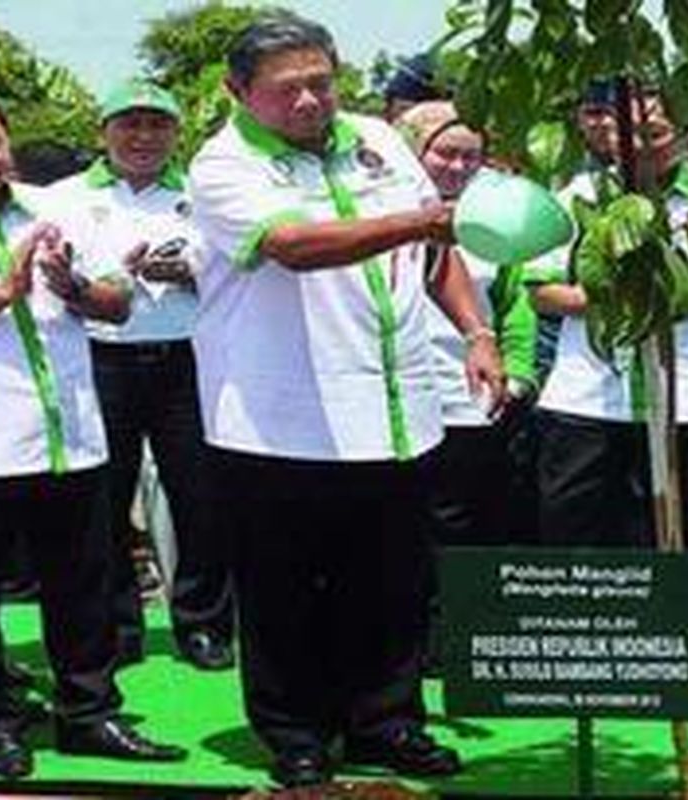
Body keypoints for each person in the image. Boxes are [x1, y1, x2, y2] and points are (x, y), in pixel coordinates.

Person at [190, 13, 502, 787]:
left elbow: (436, 252)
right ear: (237, 91)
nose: (309, 101)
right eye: (286, 89)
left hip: (397, 412)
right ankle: (296, 732)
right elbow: (293, 248)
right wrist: (420, 220)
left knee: (392, 581)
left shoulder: (378, 138)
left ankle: (386, 723)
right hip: (279, 422)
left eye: (321, 83)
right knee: (284, 587)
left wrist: (477, 331)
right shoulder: (223, 165)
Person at [0, 86, 186, 778]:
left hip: (67, 439)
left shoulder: (57, 209)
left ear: (7, 140)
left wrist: (72, 285)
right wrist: (2, 293)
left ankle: (89, 713)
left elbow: (118, 303)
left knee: (83, 588)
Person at [527, 91, 688, 553]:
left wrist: (662, 297)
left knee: (686, 536)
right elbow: (543, 290)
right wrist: (621, 300)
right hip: (589, 397)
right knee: (575, 535)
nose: (639, 146)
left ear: (687, 136)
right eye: (628, 132)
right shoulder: (578, 197)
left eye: (655, 134)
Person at [52, 79, 235, 671]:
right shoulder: (64, 198)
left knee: (201, 496)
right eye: (129, 124)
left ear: (176, 133)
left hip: (189, 358)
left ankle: (204, 623)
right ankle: (117, 626)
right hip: (100, 357)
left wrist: (191, 273)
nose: (144, 137)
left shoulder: (204, 195)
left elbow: (241, 271)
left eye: (158, 125)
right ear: (103, 131)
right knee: (104, 498)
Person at [397, 100, 538, 545]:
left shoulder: (496, 219)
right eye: (445, 154)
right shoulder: (378, 211)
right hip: (396, 396)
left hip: (467, 396)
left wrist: (518, 373)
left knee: (462, 518)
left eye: (471, 157)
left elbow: (515, 301)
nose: (458, 167)